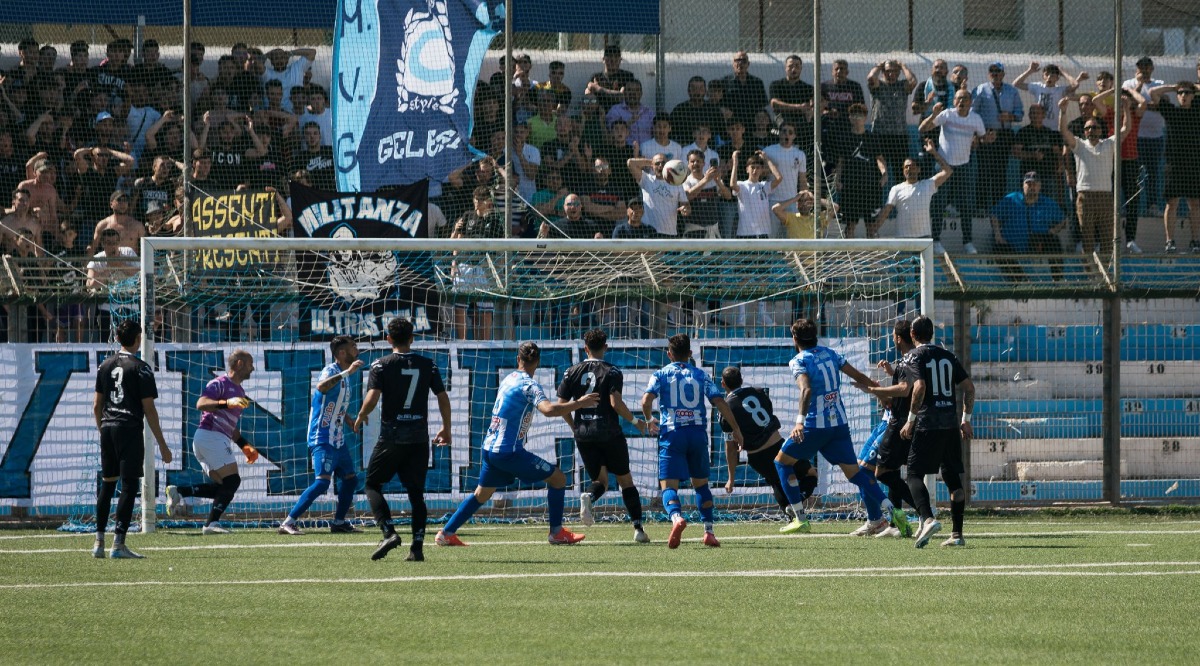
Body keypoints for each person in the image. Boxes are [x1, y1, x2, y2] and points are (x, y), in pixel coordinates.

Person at [436, 342, 598, 547]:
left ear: (518, 359)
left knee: (482, 493)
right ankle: (556, 533)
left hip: (489, 448)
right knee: (558, 479)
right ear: (537, 362)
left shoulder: (509, 378)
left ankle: (446, 533)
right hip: (508, 451)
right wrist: (580, 403)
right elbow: (548, 410)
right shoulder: (529, 385)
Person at [774, 319, 891, 536]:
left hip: (814, 427)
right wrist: (880, 392)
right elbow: (859, 376)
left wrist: (799, 421)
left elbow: (806, 390)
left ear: (795, 338)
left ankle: (800, 518)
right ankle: (891, 510)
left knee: (781, 462)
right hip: (839, 425)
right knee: (855, 474)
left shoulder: (798, 360)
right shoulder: (830, 354)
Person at [351, 318, 452, 562]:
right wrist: (446, 428)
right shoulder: (428, 364)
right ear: (412, 338)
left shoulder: (381, 365)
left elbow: (373, 397)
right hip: (418, 436)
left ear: (388, 339)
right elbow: (442, 396)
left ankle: (388, 532)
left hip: (393, 435)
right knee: (416, 493)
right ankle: (417, 548)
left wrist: (361, 415)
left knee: (372, 484)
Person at [642, 334, 743, 548]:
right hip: (697, 434)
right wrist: (736, 430)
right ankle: (708, 531)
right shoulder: (701, 375)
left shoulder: (660, 374)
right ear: (690, 353)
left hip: (672, 433)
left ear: (669, 354)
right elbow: (720, 402)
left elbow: (646, 400)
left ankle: (677, 517)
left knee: (668, 485)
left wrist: (650, 419)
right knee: (701, 485)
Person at [557, 329, 651, 541]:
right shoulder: (613, 371)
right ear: (606, 347)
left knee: (600, 481)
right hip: (608, 432)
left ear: (585, 348)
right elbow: (615, 404)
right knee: (625, 480)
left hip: (584, 433)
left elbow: (561, 405)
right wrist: (636, 422)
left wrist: (574, 426)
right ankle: (638, 530)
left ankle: (589, 496)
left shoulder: (571, 371)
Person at [92, 320, 172, 558]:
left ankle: (98, 543)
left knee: (107, 484)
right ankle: (118, 544)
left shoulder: (104, 366)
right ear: (138, 338)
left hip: (107, 428)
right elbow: (149, 410)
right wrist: (163, 446)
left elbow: (96, 406)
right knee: (128, 486)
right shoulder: (142, 368)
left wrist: (103, 431)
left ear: (118, 338)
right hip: (129, 428)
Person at [276, 336, 366, 537]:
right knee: (322, 482)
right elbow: (321, 387)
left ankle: (339, 522)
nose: (357, 349)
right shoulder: (332, 371)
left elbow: (335, 403)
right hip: (322, 436)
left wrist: (349, 419)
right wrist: (346, 372)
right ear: (342, 353)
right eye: (353, 347)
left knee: (350, 480)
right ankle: (288, 522)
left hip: (338, 438)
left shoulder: (344, 376)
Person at [899, 315, 975, 548]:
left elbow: (919, 386)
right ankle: (957, 534)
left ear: (912, 335)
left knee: (913, 474)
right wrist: (965, 419)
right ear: (931, 333)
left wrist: (911, 419)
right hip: (950, 424)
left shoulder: (913, 355)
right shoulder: (948, 355)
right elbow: (969, 388)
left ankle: (928, 518)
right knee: (953, 479)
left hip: (927, 423)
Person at [166, 350, 259, 534]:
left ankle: (179, 492)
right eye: (250, 364)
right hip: (210, 436)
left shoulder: (240, 392)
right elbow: (201, 404)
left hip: (211, 439)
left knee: (224, 486)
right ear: (239, 364)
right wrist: (226, 403)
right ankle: (211, 524)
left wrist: (244, 445)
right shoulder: (219, 383)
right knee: (232, 481)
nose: (253, 368)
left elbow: (230, 425)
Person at [719, 366, 817, 524]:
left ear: (723, 383)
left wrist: (731, 478)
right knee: (810, 474)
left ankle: (794, 514)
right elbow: (768, 415)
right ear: (741, 380)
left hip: (757, 457)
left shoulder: (726, 409)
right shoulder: (758, 392)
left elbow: (731, 448)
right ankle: (796, 508)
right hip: (778, 446)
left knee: (777, 483)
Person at [854, 320, 922, 538]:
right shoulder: (906, 362)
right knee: (889, 472)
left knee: (865, 470)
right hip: (890, 420)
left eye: (893, 335)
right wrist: (885, 380)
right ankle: (895, 524)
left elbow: (901, 394)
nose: (892, 338)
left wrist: (874, 389)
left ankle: (882, 520)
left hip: (894, 424)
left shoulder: (911, 361)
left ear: (898, 338)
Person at [919, 89, 990, 253]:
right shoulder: (947, 115)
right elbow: (922, 129)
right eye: (958, 98)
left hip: (964, 167)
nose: (961, 101)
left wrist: (985, 139)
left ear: (970, 102)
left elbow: (983, 137)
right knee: (939, 204)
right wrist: (933, 114)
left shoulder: (976, 119)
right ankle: (936, 241)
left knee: (966, 205)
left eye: (965, 98)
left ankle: (968, 242)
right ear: (954, 101)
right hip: (944, 167)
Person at [1058, 96, 1129, 258]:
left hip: (1105, 197)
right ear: (1084, 132)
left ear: (1101, 130)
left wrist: (1125, 108)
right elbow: (1064, 131)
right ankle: (1090, 275)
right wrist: (1063, 111)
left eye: (1095, 127)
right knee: (1087, 239)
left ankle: (1105, 277)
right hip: (1085, 197)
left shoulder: (1109, 144)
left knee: (1107, 240)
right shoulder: (1079, 145)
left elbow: (1126, 128)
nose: (1092, 130)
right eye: (1088, 128)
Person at [1148, 81, 1200, 253]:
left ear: (1193, 96)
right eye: (1181, 93)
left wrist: (1193, 86)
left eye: (1187, 93)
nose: (1183, 96)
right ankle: (1170, 241)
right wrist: (1174, 87)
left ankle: (1195, 241)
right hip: (1174, 164)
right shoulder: (1172, 111)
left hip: (1193, 164)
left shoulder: (1197, 111)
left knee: (1195, 203)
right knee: (1172, 203)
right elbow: (1153, 92)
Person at [988, 172, 1067, 279]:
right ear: (1023, 185)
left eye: (1035, 184)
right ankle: (1020, 280)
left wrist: (1053, 230)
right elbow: (994, 215)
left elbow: (1063, 220)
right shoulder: (1011, 199)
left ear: (1040, 186)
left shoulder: (1048, 203)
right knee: (999, 249)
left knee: (1054, 241)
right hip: (1012, 245)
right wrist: (998, 235)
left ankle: (1058, 279)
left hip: (1037, 245)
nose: (1032, 187)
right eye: (1028, 184)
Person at [873, 139, 953, 240]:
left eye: (912, 166)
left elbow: (948, 171)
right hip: (903, 240)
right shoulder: (896, 189)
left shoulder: (928, 185)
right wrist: (874, 228)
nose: (909, 169)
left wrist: (934, 152)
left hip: (924, 240)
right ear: (903, 171)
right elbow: (886, 210)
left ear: (919, 169)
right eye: (906, 167)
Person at [972, 61, 1024, 216]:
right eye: (992, 71)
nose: (995, 74)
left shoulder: (1012, 91)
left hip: (1004, 136)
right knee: (983, 172)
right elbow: (973, 114)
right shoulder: (980, 89)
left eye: (998, 71)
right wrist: (979, 134)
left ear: (1003, 74)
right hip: (986, 135)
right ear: (989, 74)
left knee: (1000, 173)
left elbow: (1020, 114)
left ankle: (997, 208)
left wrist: (1010, 116)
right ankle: (981, 208)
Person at [833, 104, 886, 238]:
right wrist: (837, 179)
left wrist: (884, 173)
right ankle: (849, 256)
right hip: (850, 187)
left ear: (865, 118)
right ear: (850, 118)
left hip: (870, 186)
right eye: (854, 116)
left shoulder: (872, 137)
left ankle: (874, 256)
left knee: (871, 226)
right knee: (850, 225)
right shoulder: (843, 138)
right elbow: (840, 162)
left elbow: (879, 158)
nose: (857, 119)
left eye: (860, 116)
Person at [866, 59, 918, 181]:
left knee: (900, 174)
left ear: (899, 72)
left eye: (894, 71)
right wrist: (880, 65)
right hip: (879, 135)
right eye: (888, 71)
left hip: (899, 136)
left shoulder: (902, 86)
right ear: (883, 72)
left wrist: (902, 65)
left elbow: (913, 81)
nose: (891, 74)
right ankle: (877, 199)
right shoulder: (878, 86)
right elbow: (870, 78)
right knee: (877, 173)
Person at [627, 154, 690, 236]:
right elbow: (630, 163)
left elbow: (686, 206)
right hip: (648, 232)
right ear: (652, 166)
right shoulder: (646, 179)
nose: (660, 166)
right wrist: (651, 162)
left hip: (670, 232)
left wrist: (685, 209)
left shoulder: (677, 183)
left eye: (663, 163)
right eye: (657, 163)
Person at [729, 150, 781, 239]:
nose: (755, 170)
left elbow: (779, 178)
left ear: (761, 170)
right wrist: (735, 164)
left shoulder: (764, 186)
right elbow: (732, 185)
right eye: (752, 167)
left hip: (763, 233)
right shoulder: (742, 185)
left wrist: (767, 159)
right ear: (747, 169)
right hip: (745, 233)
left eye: (758, 168)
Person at [723, 51, 768, 128]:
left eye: (743, 61)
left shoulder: (757, 83)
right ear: (733, 63)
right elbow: (721, 103)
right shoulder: (725, 82)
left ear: (748, 64)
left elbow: (763, 104)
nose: (740, 63)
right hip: (733, 125)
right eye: (737, 60)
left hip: (752, 124)